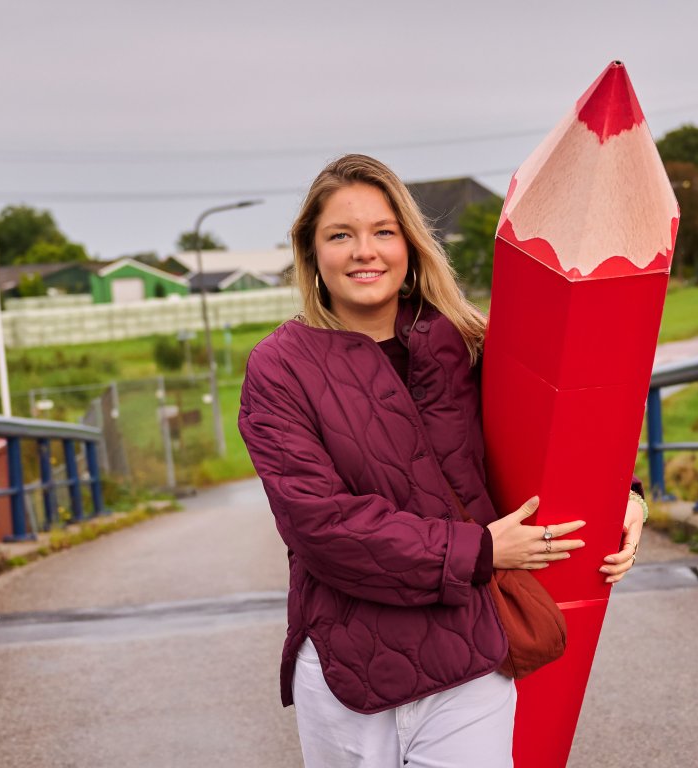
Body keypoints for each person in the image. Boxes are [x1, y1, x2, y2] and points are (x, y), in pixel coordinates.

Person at [238, 154, 647, 768]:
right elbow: (318, 525)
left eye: (383, 231)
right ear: (311, 252)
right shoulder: (279, 368)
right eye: (340, 235)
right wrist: (479, 551)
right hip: (348, 667)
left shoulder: (469, 342)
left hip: (471, 651)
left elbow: (551, 439)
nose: (363, 251)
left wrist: (626, 498)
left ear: (409, 243)